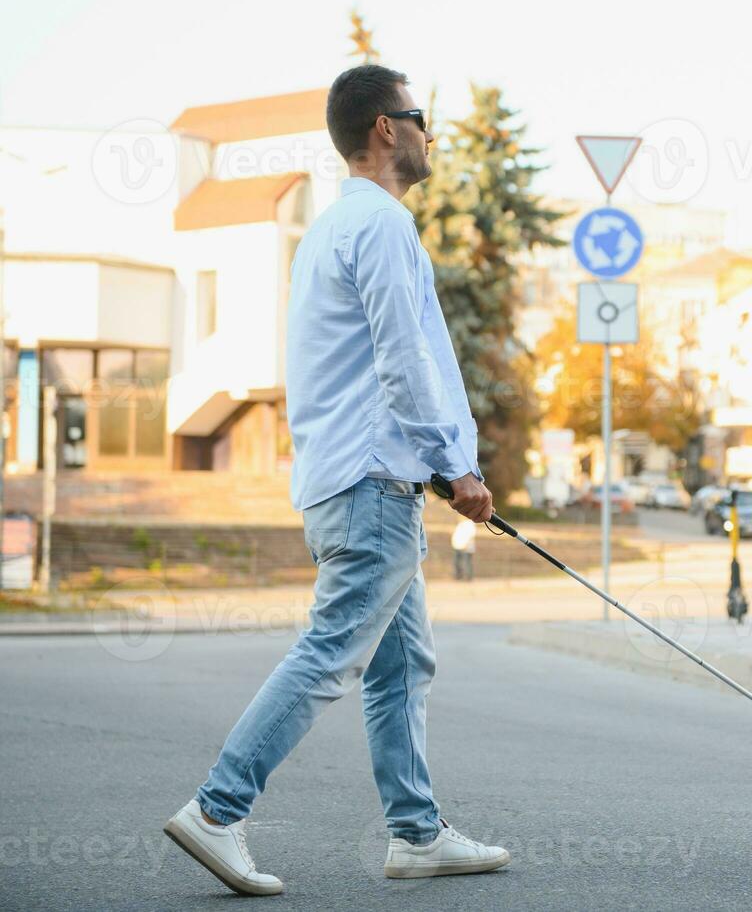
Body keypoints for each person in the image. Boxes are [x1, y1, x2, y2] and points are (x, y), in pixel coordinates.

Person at [164, 65, 507, 897]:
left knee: (400, 662)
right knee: (330, 654)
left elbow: (359, 369)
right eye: (420, 116)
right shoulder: (382, 225)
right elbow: (401, 357)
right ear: (386, 129)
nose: (431, 131)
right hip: (370, 487)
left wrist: (427, 461)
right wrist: (453, 464)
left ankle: (416, 833)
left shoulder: (328, 229)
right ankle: (217, 810)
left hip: (353, 477)